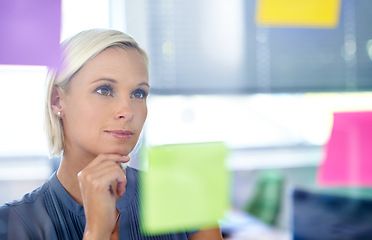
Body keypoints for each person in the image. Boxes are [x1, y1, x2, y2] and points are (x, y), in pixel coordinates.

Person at [0, 29, 223, 240]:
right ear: (57, 100)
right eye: (104, 90)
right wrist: (96, 231)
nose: (127, 111)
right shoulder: (12, 224)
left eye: (138, 93)